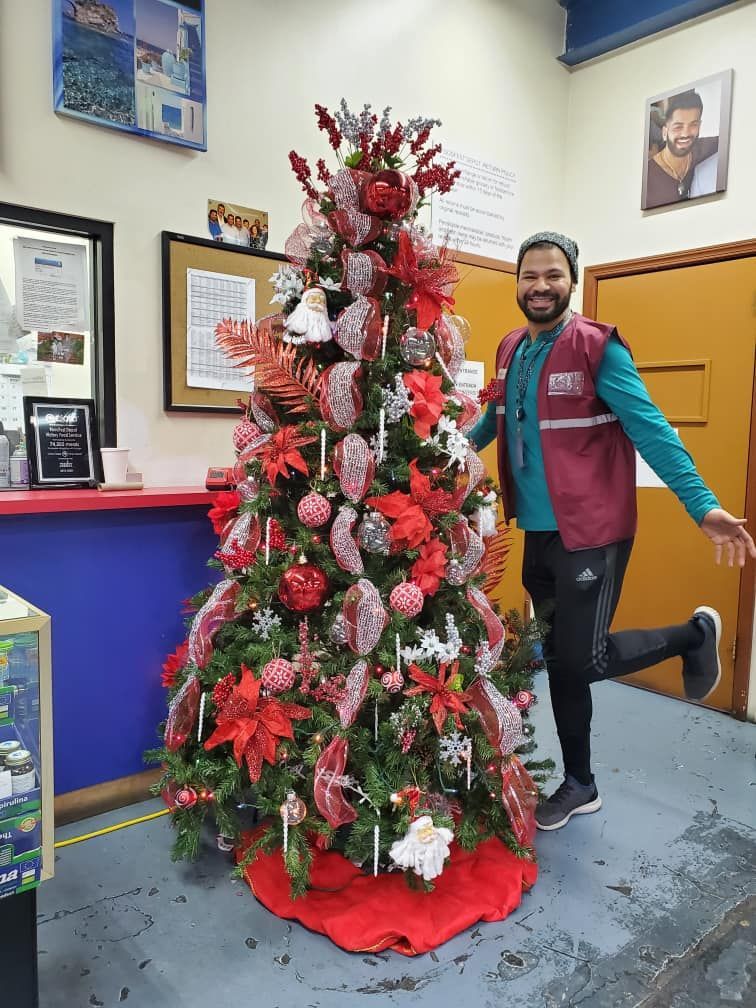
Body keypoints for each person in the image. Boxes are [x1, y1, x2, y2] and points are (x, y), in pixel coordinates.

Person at [469, 231, 755, 832]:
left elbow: (653, 431)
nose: (540, 286)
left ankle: (694, 635)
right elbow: (494, 420)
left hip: (593, 531)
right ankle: (580, 783)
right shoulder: (510, 347)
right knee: (561, 659)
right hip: (539, 532)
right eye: (530, 276)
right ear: (517, 282)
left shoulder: (598, 349)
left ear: (572, 279)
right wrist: (442, 452)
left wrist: (703, 508)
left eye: (553, 275)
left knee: (584, 658)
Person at [645, 90, 718, 208]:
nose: (685, 133)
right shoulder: (648, 178)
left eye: (693, 125)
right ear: (664, 132)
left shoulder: (706, 147)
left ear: (699, 126)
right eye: (678, 127)